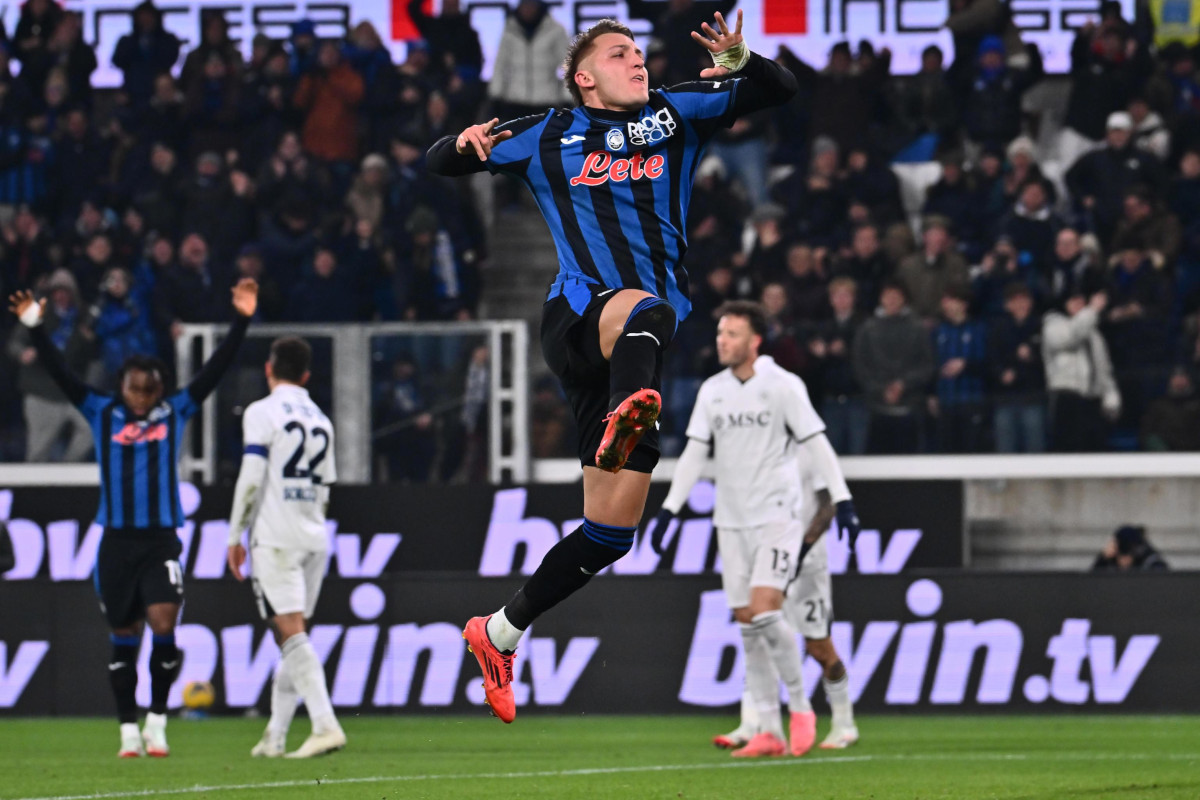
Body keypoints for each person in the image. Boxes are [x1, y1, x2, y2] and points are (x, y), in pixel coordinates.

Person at [426, 11, 797, 724]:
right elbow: (441, 160)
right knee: (649, 308)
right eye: (620, 53)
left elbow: (776, 89)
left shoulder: (676, 112)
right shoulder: (546, 133)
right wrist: (463, 141)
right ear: (583, 77)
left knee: (611, 532)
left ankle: (499, 632)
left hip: (634, 347)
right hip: (581, 318)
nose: (639, 61)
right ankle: (635, 406)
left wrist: (740, 56)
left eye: (639, 51)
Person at [7, 278, 257, 758]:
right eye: (134, 387)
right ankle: (127, 730)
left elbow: (216, 369)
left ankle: (158, 722)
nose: (141, 395)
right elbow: (61, 373)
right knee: (124, 637)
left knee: (164, 623)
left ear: (159, 387)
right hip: (115, 543)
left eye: (149, 387)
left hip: (161, 540)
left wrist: (242, 320)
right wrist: (37, 330)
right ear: (121, 386)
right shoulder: (101, 411)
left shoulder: (175, 410)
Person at [651, 302, 860, 758]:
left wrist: (842, 500)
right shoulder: (712, 391)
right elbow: (693, 453)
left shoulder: (783, 386)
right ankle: (767, 728)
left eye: (732, 333)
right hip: (731, 520)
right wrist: (669, 507)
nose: (722, 340)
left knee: (773, 618)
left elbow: (819, 444)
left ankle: (806, 708)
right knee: (749, 625)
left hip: (780, 520)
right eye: (720, 332)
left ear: (754, 340)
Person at [226, 337, 345, 759]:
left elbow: (252, 477)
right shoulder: (321, 419)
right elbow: (325, 488)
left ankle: (325, 725)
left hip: (276, 538)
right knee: (293, 639)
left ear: (268, 369)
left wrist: (234, 535)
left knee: (292, 635)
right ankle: (274, 736)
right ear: (307, 375)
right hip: (314, 536)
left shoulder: (262, 412)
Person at [713, 444, 860, 752]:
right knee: (759, 634)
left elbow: (827, 505)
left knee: (819, 647)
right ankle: (754, 725)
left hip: (807, 566)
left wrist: (802, 549)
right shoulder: (760, 448)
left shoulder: (811, 449)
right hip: (769, 555)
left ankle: (844, 723)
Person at [1092, 525, 1169, 572]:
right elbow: (1094, 582)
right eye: (1121, 555)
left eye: (1126, 555)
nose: (1123, 561)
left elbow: (1162, 578)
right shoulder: (1110, 560)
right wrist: (1103, 558)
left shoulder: (1149, 561)